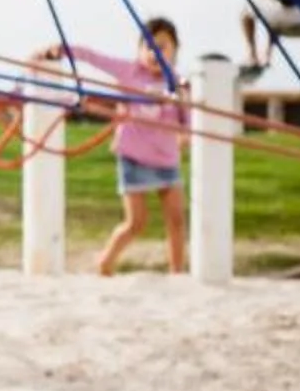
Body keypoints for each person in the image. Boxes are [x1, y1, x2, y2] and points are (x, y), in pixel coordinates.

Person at [37, 19, 189, 276]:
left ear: (174, 51)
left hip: (166, 159)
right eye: (148, 47)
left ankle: (177, 273)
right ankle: (105, 261)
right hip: (133, 156)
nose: (154, 54)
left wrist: (185, 133)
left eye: (161, 47)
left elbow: (188, 118)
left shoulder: (177, 82)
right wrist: (61, 50)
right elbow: (93, 58)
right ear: (139, 49)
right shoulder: (129, 72)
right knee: (136, 222)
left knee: (176, 219)